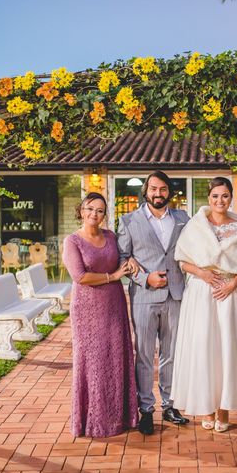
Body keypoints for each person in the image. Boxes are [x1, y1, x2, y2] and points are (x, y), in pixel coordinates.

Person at [172, 177, 237, 432]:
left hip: (231, 294)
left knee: (227, 349)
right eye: (215, 196)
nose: (220, 201)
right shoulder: (196, 225)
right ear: (208, 198)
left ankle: (223, 410)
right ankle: (207, 407)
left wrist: (232, 284)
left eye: (225, 196)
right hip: (201, 293)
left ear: (231, 197)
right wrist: (202, 274)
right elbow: (182, 259)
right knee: (204, 348)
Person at [116, 171, 191, 435]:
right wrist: (144, 277)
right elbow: (122, 257)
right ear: (146, 191)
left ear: (169, 191)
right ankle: (146, 409)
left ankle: (170, 405)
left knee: (172, 354)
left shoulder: (183, 219)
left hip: (176, 296)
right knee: (145, 355)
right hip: (145, 298)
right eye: (153, 189)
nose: (157, 194)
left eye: (162, 189)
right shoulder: (128, 221)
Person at [62, 192, 138, 437]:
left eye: (100, 210)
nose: (94, 214)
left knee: (116, 357)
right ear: (81, 211)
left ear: (105, 215)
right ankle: (94, 421)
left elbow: (123, 259)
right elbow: (80, 276)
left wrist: (131, 262)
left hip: (114, 304)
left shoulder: (111, 236)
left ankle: (120, 417)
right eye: (90, 209)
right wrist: (112, 277)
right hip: (87, 307)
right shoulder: (72, 241)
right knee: (92, 362)